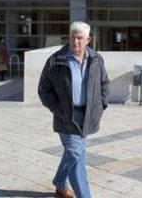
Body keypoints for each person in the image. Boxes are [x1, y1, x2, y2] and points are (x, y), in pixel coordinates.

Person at [38, 21, 110, 198]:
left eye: (80, 38)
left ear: (88, 39)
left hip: (86, 115)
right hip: (66, 115)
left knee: (73, 152)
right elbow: (43, 88)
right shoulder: (56, 60)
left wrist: (100, 105)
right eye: (72, 37)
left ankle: (60, 183)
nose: (75, 42)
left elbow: (104, 84)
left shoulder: (96, 59)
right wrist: (58, 109)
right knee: (77, 154)